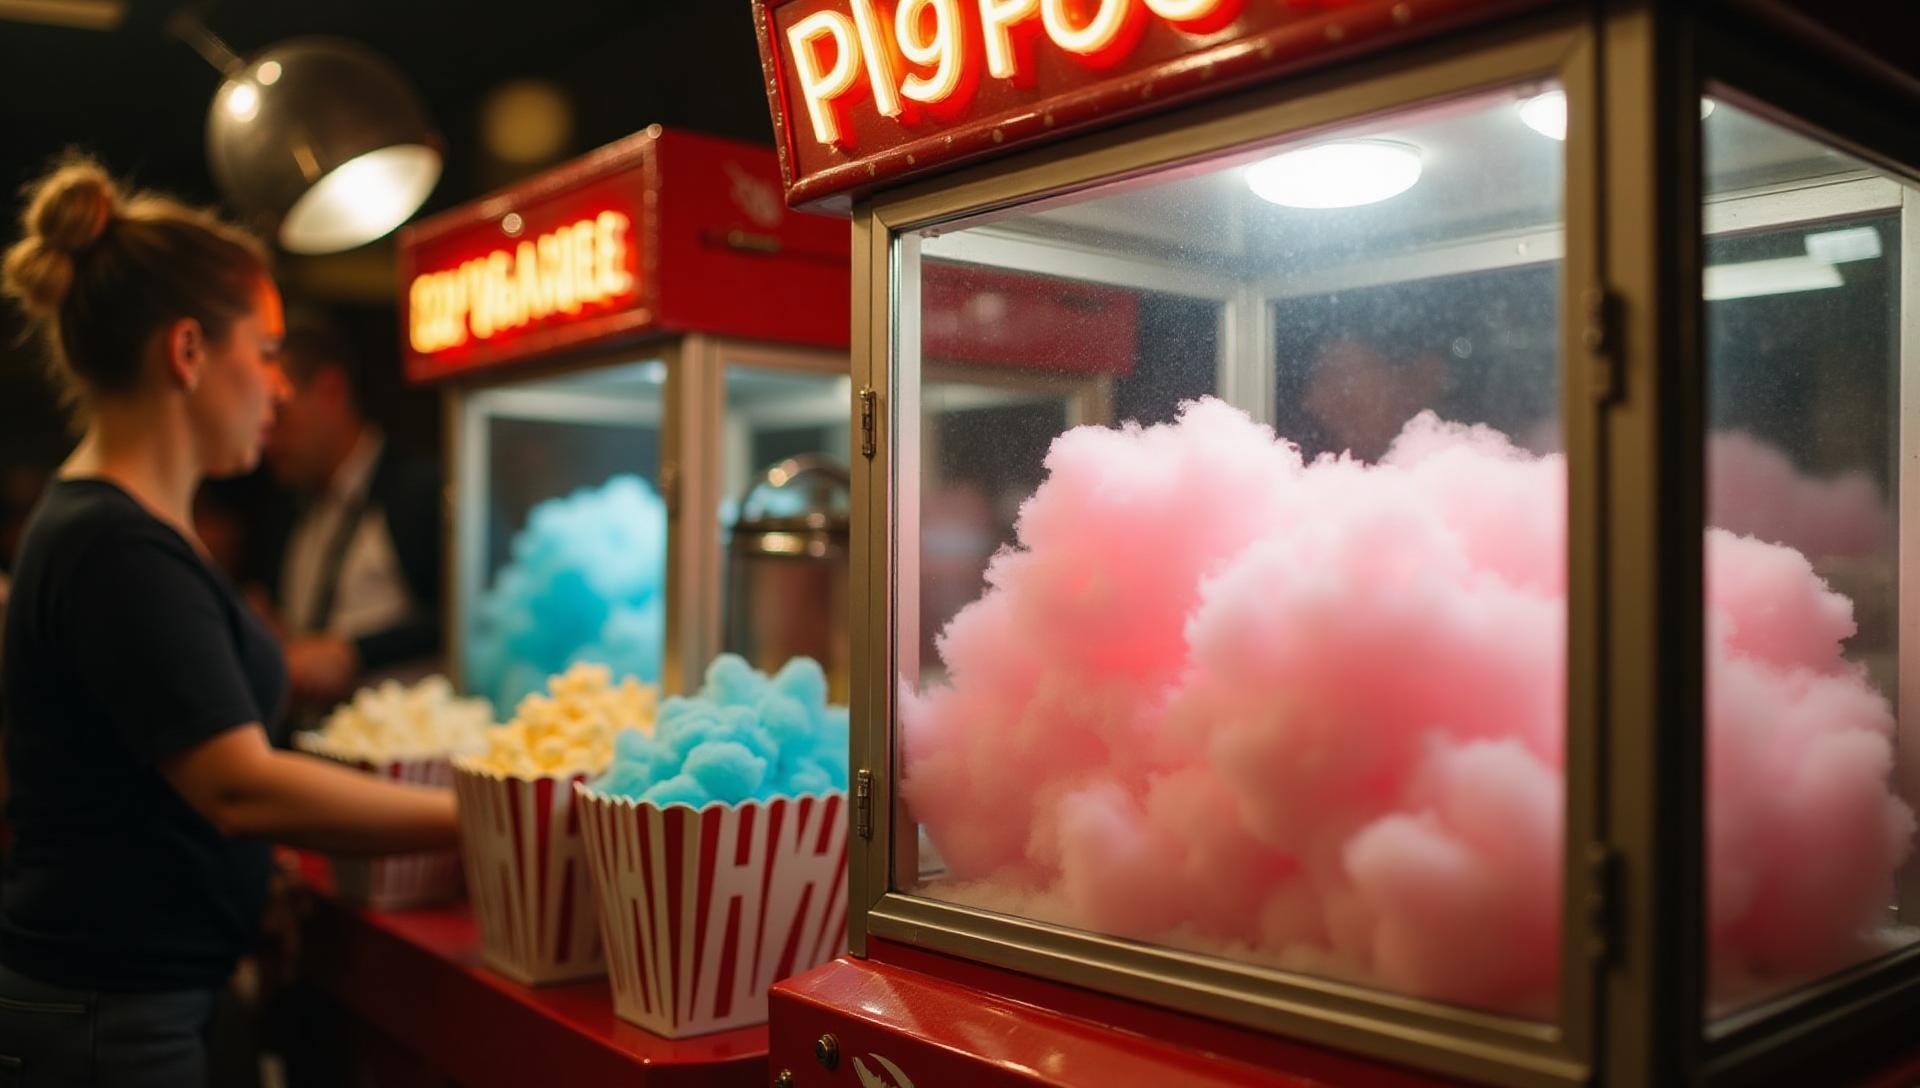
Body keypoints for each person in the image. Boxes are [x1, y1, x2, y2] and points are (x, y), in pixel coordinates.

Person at [0, 155, 458, 1085]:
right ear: (187, 353)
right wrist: (487, 816)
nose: (280, 388)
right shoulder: (114, 545)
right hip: (111, 1008)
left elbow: (162, 783)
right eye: (265, 350)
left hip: (136, 991)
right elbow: (239, 786)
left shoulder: (127, 529)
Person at [263, 319, 442, 712]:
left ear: (331, 391)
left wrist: (354, 654)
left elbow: (460, 619)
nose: (265, 435)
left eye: (279, 415)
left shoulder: (418, 489)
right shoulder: (289, 505)